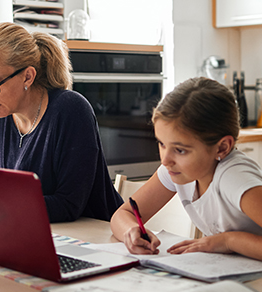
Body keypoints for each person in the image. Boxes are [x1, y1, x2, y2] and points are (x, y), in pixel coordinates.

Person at [0, 22, 123, 223]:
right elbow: (3, 190)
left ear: (27, 77)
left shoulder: (71, 110)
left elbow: (69, 205)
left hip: (96, 236)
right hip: (32, 229)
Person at [110, 77, 262, 261]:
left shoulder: (235, 177)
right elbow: (122, 214)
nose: (165, 160)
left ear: (221, 148)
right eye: (162, 144)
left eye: (180, 150)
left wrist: (229, 241)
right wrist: (131, 231)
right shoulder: (178, 169)